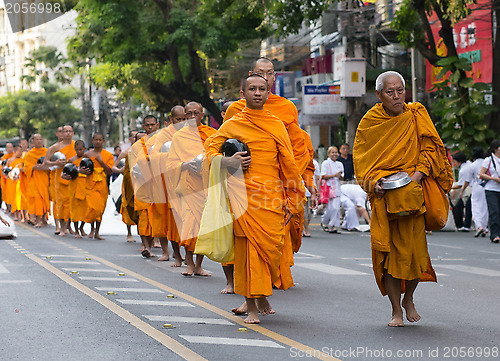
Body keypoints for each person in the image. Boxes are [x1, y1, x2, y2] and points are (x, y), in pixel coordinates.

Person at [353, 70, 453, 327]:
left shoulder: (416, 114)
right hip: (385, 202)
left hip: (413, 198)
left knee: (416, 257)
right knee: (387, 257)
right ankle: (396, 309)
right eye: (390, 92)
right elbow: (362, 161)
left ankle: (409, 298)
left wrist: (417, 177)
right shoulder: (369, 122)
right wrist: (374, 184)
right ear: (378, 95)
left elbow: (431, 148)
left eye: (400, 91)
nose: (397, 96)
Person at [205, 74, 305, 324]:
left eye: (262, 89)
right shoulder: (232, 123)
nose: (257, 93)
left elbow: (288, 165)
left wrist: (293, 199)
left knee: (270, 250)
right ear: (243, 93)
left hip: (271, 196)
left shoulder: (276, 124)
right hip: (242, 195)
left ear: (268, 93)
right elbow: (210, 149)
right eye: (252, 89)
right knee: (248, 251)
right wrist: (228, 161)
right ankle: (251, 306)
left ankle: (260, 296)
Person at [224, 57, 314, 299]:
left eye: (270, 74)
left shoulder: (285, 109)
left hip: (276, 186)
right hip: (245, 187)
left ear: (274, 78)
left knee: (273, 242)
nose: (265, 78)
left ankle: (266, 284)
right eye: (260, 74)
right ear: (251, 75)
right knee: (246, 243)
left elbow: (296, 147)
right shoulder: (235, 111)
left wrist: (294, 183)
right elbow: (225, 147)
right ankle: (252, 296)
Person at [166, 102, 216, 276]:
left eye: (196, 113)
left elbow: (217, 157)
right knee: (189, 224)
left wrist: (205, 165)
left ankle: (199, 265)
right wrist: (185, 165)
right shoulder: (179, 137)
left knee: (203, 227)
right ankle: (189, 263)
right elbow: (171, 163)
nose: (192, 116)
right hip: (188, 186)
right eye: (189, 113)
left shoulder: (212, 135)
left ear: (203, 115)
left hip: (206, 186)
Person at [149, 106, 186, 262]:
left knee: (183, 219)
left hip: (184, 180)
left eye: (184, 119)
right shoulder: (164, 134)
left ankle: (181, 252)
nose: (182, 122)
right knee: (165, 219)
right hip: (165, 181)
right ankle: (166, 251)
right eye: (178, 119)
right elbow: (154, 155)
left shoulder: (189, 134)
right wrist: (171, 156)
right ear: (171, 119)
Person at [129, 116, 160, 257]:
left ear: (157, 125)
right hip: (142, 184)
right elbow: (133, 166)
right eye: (147, 125)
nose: (150, 128)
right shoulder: (136, 146)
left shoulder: (162, 141)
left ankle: (155, 241)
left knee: (157, 216)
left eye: (152, 125)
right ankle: (146, 246)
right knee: (143, 216)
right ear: (143, 125)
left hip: (157, 183)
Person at [43, 125, 76, 236]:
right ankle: (62, 228)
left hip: (73, 178)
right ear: (61, 133)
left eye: (69, 131)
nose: (67, 133)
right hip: (60, 178)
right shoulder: (55, 147)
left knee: (72, 203)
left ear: (72, 133)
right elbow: (46, 162)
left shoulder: (76, 145)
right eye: (65, 131)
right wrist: (55, 163)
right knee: (61, 204)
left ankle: (69, 226)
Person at [112, 130, 139, 242]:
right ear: (130, 139)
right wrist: (120, 170)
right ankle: (129, 233)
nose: (135, 139)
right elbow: (114, 167)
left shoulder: (146, 150)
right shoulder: (126, 152)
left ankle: (147, 236)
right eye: (133, 137)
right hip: (128, 182)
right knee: (128, 206)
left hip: (142, 182)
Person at [23, 134, 50, 227]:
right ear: (33, 142)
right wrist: (34, 167)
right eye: (36, 139)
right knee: (37, 199)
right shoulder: (29, 154)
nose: (39, 141)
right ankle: (37, 220)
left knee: (44, 199)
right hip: (34, 179)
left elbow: (51, 165)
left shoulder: (47, 152)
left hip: (44, 179)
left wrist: (44, 167)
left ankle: (43, 218)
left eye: (40, 139)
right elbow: (26, 168)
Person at [64, 140, 89, 238]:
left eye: (81, 149)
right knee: (74, 209)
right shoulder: (71, 160)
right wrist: (77, 170)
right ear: (75, 150)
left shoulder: (87, 159)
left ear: (85, 149)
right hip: (74, 186)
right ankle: (76, 230)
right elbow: (65, 172)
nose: (79, 152)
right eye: (77, 150)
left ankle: (81, 227)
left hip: (85, 186)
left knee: (85, 209)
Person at [462, 147, 488, 237]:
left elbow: (468, 180)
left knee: (476, 207)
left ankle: (479, 227)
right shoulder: (486, 162)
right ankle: (484, 228)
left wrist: (463, 189)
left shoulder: (472, 165)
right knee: (484, 208)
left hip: (476, 187)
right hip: (486, 186)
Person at [479, 139, 500, 243]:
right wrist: (494, 179)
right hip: (491, 189)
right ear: (496, 149)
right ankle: (495, 234)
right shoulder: (489, 160)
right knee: (494, 211)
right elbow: (481, 174)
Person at [320, 146, 344, 233]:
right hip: (328, 189)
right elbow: (323, 176)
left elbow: (342, 177)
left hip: (337, 188)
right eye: (332, 152)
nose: (334, 154)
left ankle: (332, 226)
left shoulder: (340, 164)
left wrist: (339, 176)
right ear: (329, 154)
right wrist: (334, 175)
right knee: (330, 208)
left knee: (336, 208)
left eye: (336, 152)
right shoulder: (325, 163)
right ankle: (325, 221)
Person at [451, 152, 472, 231]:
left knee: (468, 208)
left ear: (459, 161)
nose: (454, 163)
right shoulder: (469, 164)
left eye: (455, 161)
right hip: (475, 188)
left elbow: (460, 185)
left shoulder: (463, 170)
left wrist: (451, 187)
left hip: (467, 189)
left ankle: (466, 225)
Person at [1, 143, 15, 214]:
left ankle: (13, 209)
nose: (9, 149)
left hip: (11, 178)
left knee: (11, 193)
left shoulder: (14, 157)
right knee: (5, 193)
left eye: (11, 147)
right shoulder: (4, 158)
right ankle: (8, 208)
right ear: (6, 149)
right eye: (8, 148)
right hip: (4, 179)